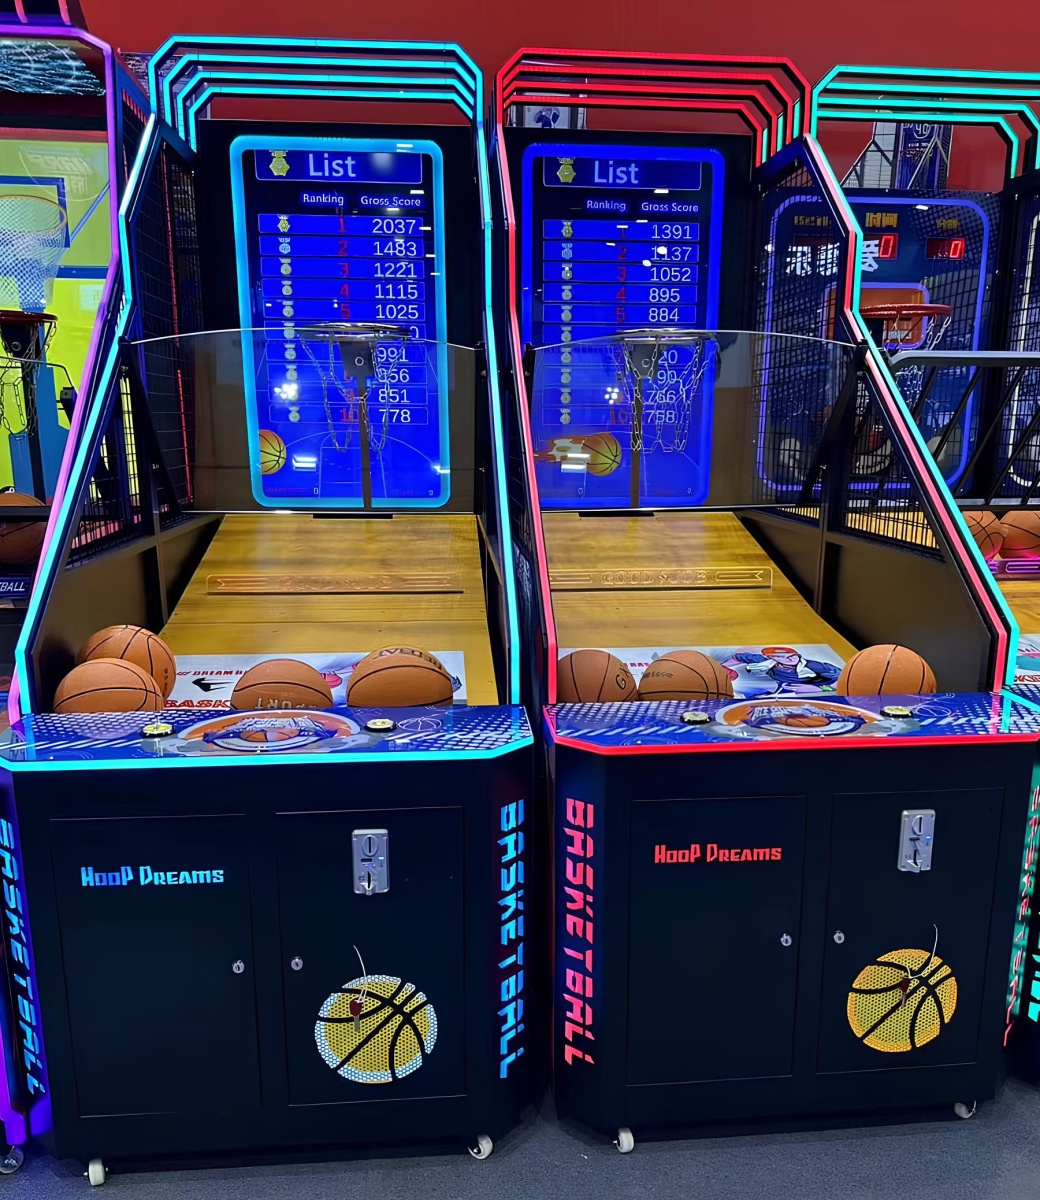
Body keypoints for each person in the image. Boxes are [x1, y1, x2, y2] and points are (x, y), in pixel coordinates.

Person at [723, 645, 840, 695]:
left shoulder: (815, 666)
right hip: (782, 689)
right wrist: (723, 667)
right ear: (771, 658)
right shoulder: (765, 661)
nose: (789, 659)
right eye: (781, 656)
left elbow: (843, 680)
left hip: (811, 691)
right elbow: (739, 656)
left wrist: (817, 689)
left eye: (792, 655)